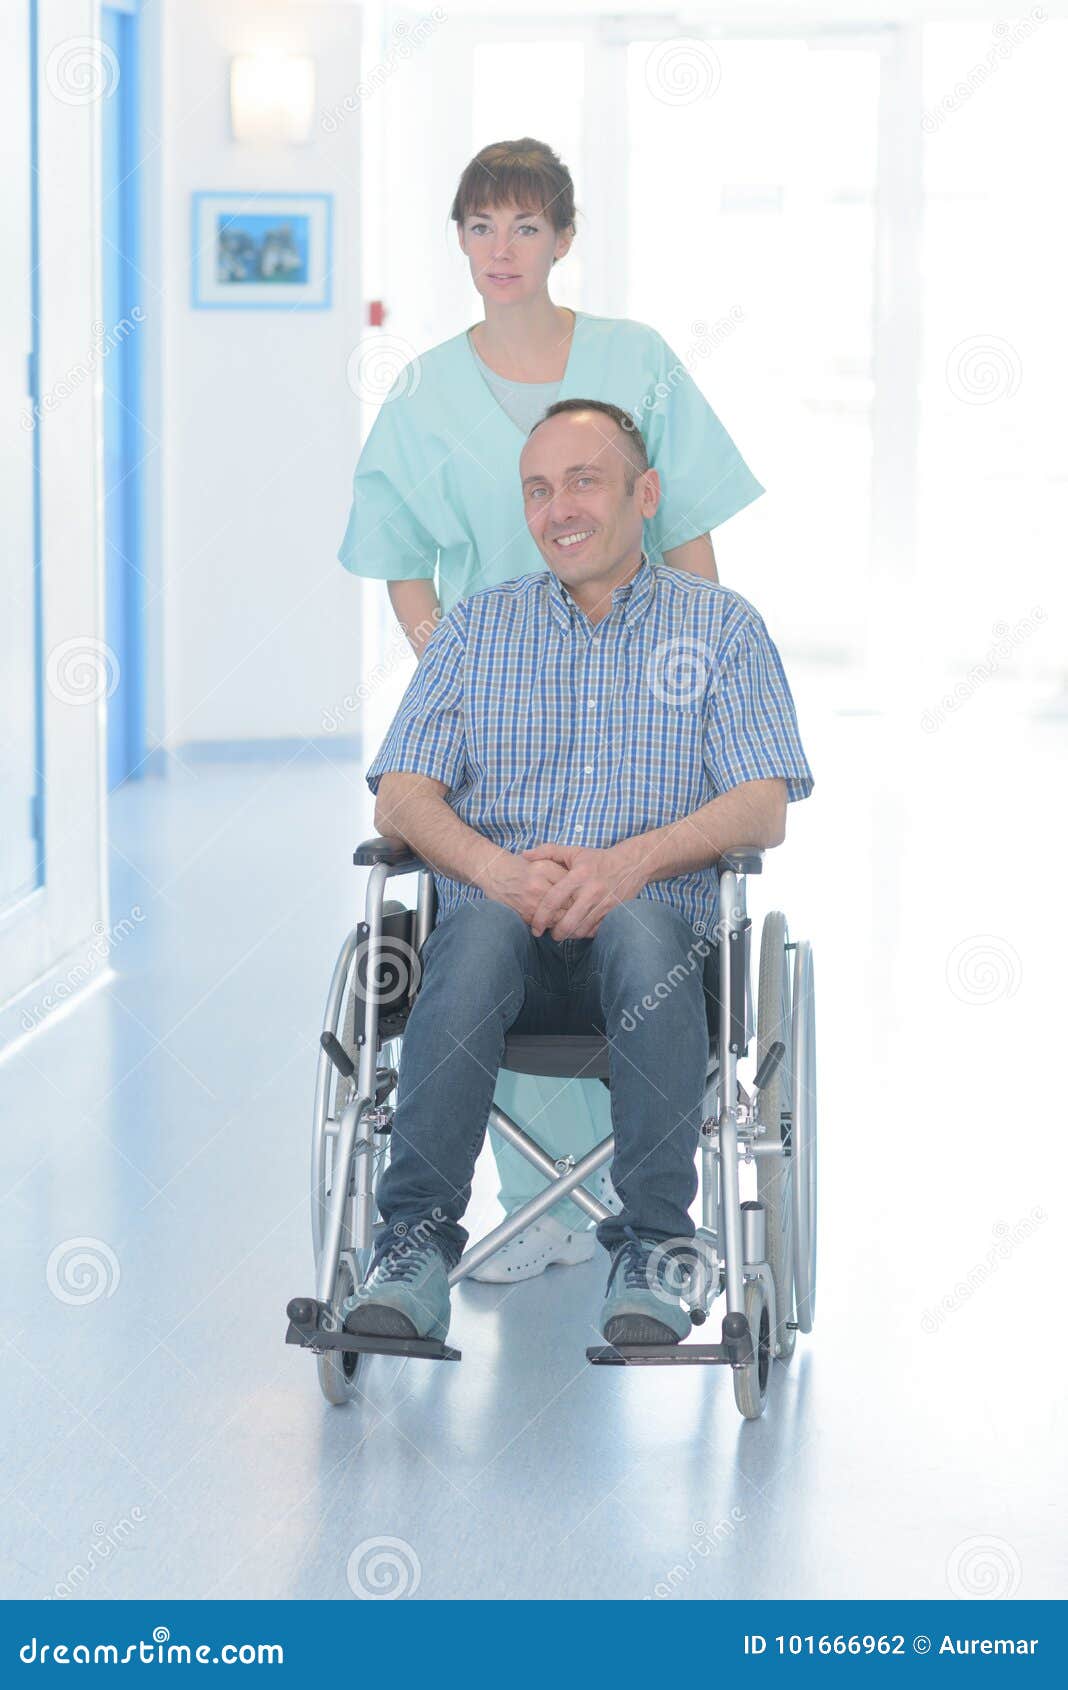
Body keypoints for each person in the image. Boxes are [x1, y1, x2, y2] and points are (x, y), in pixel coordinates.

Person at [338, 138, 765, 1282]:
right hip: (501, 701)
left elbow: (688, 533)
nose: (502, 248)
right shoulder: (426, 390)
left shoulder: (638, 360)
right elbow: (399, 556)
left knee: (630, 918)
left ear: (565, 237)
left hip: (640, 697)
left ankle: (634, 1222)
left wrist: (687, 669)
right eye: (481, 225)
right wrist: (461, 670)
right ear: (457, 240)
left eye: (526, 225)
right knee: (490, 919)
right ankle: (508, 1216)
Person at [342, 400, 812, 1346]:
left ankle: (655, 1250)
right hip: (499, 950)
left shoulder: (721, 629)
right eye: (538, 490)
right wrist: (499, 872)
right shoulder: (476, 631)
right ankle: (414, 1248)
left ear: (647, 494)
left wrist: (630, 864)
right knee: (476, 930)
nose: (559, 509)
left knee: (640, 927)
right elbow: (401, 798)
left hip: (658, 954)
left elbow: (762, 803)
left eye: (584, 482)